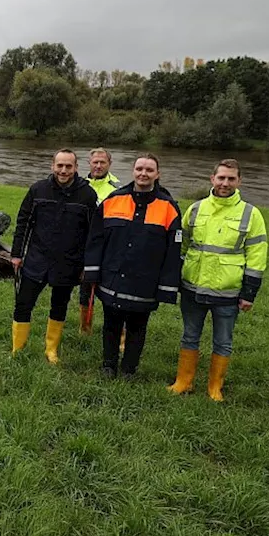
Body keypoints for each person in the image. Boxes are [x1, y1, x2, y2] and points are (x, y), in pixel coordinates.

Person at [167, 159, 268, 401]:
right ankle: (184, 381)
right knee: (189, 335)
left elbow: (257, 256)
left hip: (228, 292)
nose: (225, 183)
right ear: (212, 179)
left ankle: (215, 387)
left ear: (239, 181)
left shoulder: (251, 214)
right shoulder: (196, 209)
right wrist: (177, 276)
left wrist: (249, 293)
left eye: (231, 179)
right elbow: (181, 246)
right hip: (192, 287)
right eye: (221, 178)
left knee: (223, 342)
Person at [83, 152, 183, 379]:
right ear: (133, 171)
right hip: (112, 277)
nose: (143, 174)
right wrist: (92, 272)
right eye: (139, 169)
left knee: (137, 327)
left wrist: (167, 287)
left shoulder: (169, 207)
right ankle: (108, 365)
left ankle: (129, 369)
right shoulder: (113, 200)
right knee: (111, 324)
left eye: (149, 170)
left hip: (145, 282)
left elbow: (173, 252)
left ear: (157, 174)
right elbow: (95, 239)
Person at [9, 149, 100, 364]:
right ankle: (17, 349)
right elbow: (23, 223)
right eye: (60, 165)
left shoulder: (88, 196)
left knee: (59, 305)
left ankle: (51, 350)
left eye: (68, 166)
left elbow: (93, 234)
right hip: (36, 260)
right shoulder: (37, 190)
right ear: (52, 166)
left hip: (68, 263)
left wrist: (88, 264)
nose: (64, 170)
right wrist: (16, 254)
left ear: (76, 168)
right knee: (23, 304)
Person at [78, 147, 121, 334]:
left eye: (102, 162)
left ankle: (115, 329)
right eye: (95, 162)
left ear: (109, 164)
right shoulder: (79, 185)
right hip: (84, 245)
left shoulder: (117, 190)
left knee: (111, 289)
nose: (98, 166)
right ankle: (85, 328)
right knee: (85, 287)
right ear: (89, 163)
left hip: (108, 247)